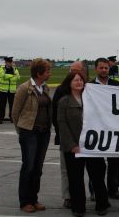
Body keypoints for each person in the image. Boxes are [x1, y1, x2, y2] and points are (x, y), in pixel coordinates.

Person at [57, 72, 110, 216]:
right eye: (75, 80)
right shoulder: (64, 101)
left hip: (93, 146)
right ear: (69, 83)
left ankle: (102, 205)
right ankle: (78, 207)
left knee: (97, 177)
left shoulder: (92, 99)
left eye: (81, 80)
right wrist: (73, 145)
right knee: (75, 179)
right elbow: (62, 125)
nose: (79, 82)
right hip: (73, 148)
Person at [11, 58, 52, 213]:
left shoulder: (45, 88)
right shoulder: (24, 88)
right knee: (28, 167)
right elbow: (15, 113)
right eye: (47, 71)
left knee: (38, 168)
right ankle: (25, 201)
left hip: (44, 132)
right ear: (39, 72)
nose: (49, 73)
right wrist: (22, 131)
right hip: (29, 133)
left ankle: (34, 199)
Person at [52, 61, 88, 209]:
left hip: (88, 142)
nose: (72, 73)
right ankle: (69, 198)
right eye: (71, 71)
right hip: (70, 142)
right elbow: (58, 119)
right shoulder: (62, 93)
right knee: (69, 172)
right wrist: (69, 142)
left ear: (84, 73)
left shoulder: (90, 92)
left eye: (76, 72)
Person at [90, 58, 119, 204]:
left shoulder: (117, 85)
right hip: (96, 129)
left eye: (106, 68)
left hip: (113, 129)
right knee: (96, 164)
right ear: (96, 69)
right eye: (101, 68)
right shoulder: (89, 86)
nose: (104, 70)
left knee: (114, 163)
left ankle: (113, 188)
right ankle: (94, 190)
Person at [0, 56, 20, 124]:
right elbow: (3, 76)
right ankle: (1, 118)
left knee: (12, 105)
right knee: (2, 105)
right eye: (8, 62)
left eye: (11, 62)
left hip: (12, 91)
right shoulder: (2, 68)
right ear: (6, 62)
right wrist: (12, 75)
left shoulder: (15, 69)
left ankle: (12, 118)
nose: (10, 63)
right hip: (2, 90)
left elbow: (18, 77)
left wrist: (8, 76)